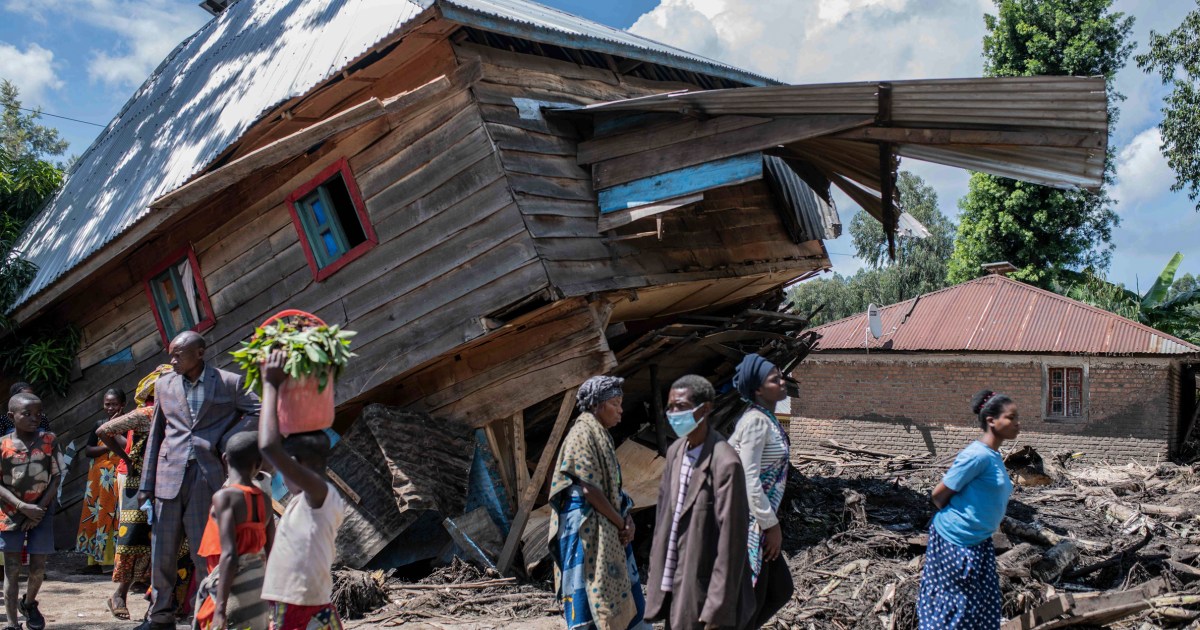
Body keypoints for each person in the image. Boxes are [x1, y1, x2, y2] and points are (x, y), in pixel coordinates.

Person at [138, 331, 261, 630]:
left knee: (202, 553)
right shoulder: (165, 384)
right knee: (161, 553)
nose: (172, 360)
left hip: (206, 477)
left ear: (200, 353)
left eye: (178, 354)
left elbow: (257, 409)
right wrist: (145, 486)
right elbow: (156, 435)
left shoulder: (229, 382)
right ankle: (160, 617)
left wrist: (227, 441)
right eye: (171, 354)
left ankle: (202, 616)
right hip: (168, 477)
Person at [646, 375, 754, 630]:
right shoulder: (675, 452)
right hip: (674, 585)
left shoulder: (725, 463)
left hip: (705, 592)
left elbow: (732, 544)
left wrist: (717, 609)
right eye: (670, 407)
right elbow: (663, 522)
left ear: (704, 409)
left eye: (680, 407)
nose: (672, 414)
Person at [547, 375, 645, 630]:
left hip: (608, 524)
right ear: (596, 404)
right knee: (589, 595)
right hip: (587, 530)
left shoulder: (601, 435)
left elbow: (613, 489)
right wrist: (620, 522)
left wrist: (627, 519)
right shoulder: (582, 432)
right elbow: (589, 489)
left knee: (621, 598)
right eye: (615, 403)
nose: (621, 409)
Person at [917, 390, 1019, 630]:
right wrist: (960, 521)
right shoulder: (976, 456)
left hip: (978, 541)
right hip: (957, 542)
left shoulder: (993, 455)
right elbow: (938, 495)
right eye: (1011, 417)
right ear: (991, 420)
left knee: (983, 607)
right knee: (955, 609)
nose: (1017, 423)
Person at [258, 350, 346, 630]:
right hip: (302, 601)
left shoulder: (320, 495)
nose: (283, 477)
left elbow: (268, 447)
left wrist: (270, 384)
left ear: (296, 465)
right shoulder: (303, 501)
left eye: (285, 469)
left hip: (300, 602)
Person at [97, 365, 172, 619]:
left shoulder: (179, 412)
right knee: (133, 539)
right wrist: (126, 460)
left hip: (166, 481)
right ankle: (120, 594)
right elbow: (104, 431)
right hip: (135, 482)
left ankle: (159, 599)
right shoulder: (146, 413)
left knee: (163, 540)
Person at [727, 354, 794, 628]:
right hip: (751, 525)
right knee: (755, 599)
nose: (782, 381)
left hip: (758, 523)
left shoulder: (767, 419)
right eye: (774, 378)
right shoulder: (755, 421)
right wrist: (771, 525)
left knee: (778, 591)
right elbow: (749, 478)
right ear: (757, 389)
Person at [194, 431, 275, 630]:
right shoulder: (264, 499)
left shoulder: (226, 497)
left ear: (224, 458)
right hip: (256, 587)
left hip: (229, 590)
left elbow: (230, 555)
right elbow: (271, 550)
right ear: (258, 463)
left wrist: (220, 610)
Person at [0, 393, 60, 630]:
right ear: (11, 417)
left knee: (38, 568)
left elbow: (56, 477)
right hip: (10, 512)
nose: (34, 418)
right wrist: (22, 507)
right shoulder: (2, 446)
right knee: (12, 570)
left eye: (38, 413)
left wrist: (39, 509)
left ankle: (29, 602)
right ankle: (13, 624)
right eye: (27, 414)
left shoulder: (49, 441)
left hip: (41, 511)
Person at [76, 388, 127, 572]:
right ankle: (96, 562)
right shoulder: (99, 423)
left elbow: (128, 447)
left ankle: (116, 563)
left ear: (123, 405)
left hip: (119, 478)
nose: (110, 407)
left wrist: (113, 433)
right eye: (107, 404)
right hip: (98, 480)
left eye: (114, 404)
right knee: (97, 516)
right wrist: (107, 444)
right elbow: (88, 451)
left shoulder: (129, 424)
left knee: (118, 516)